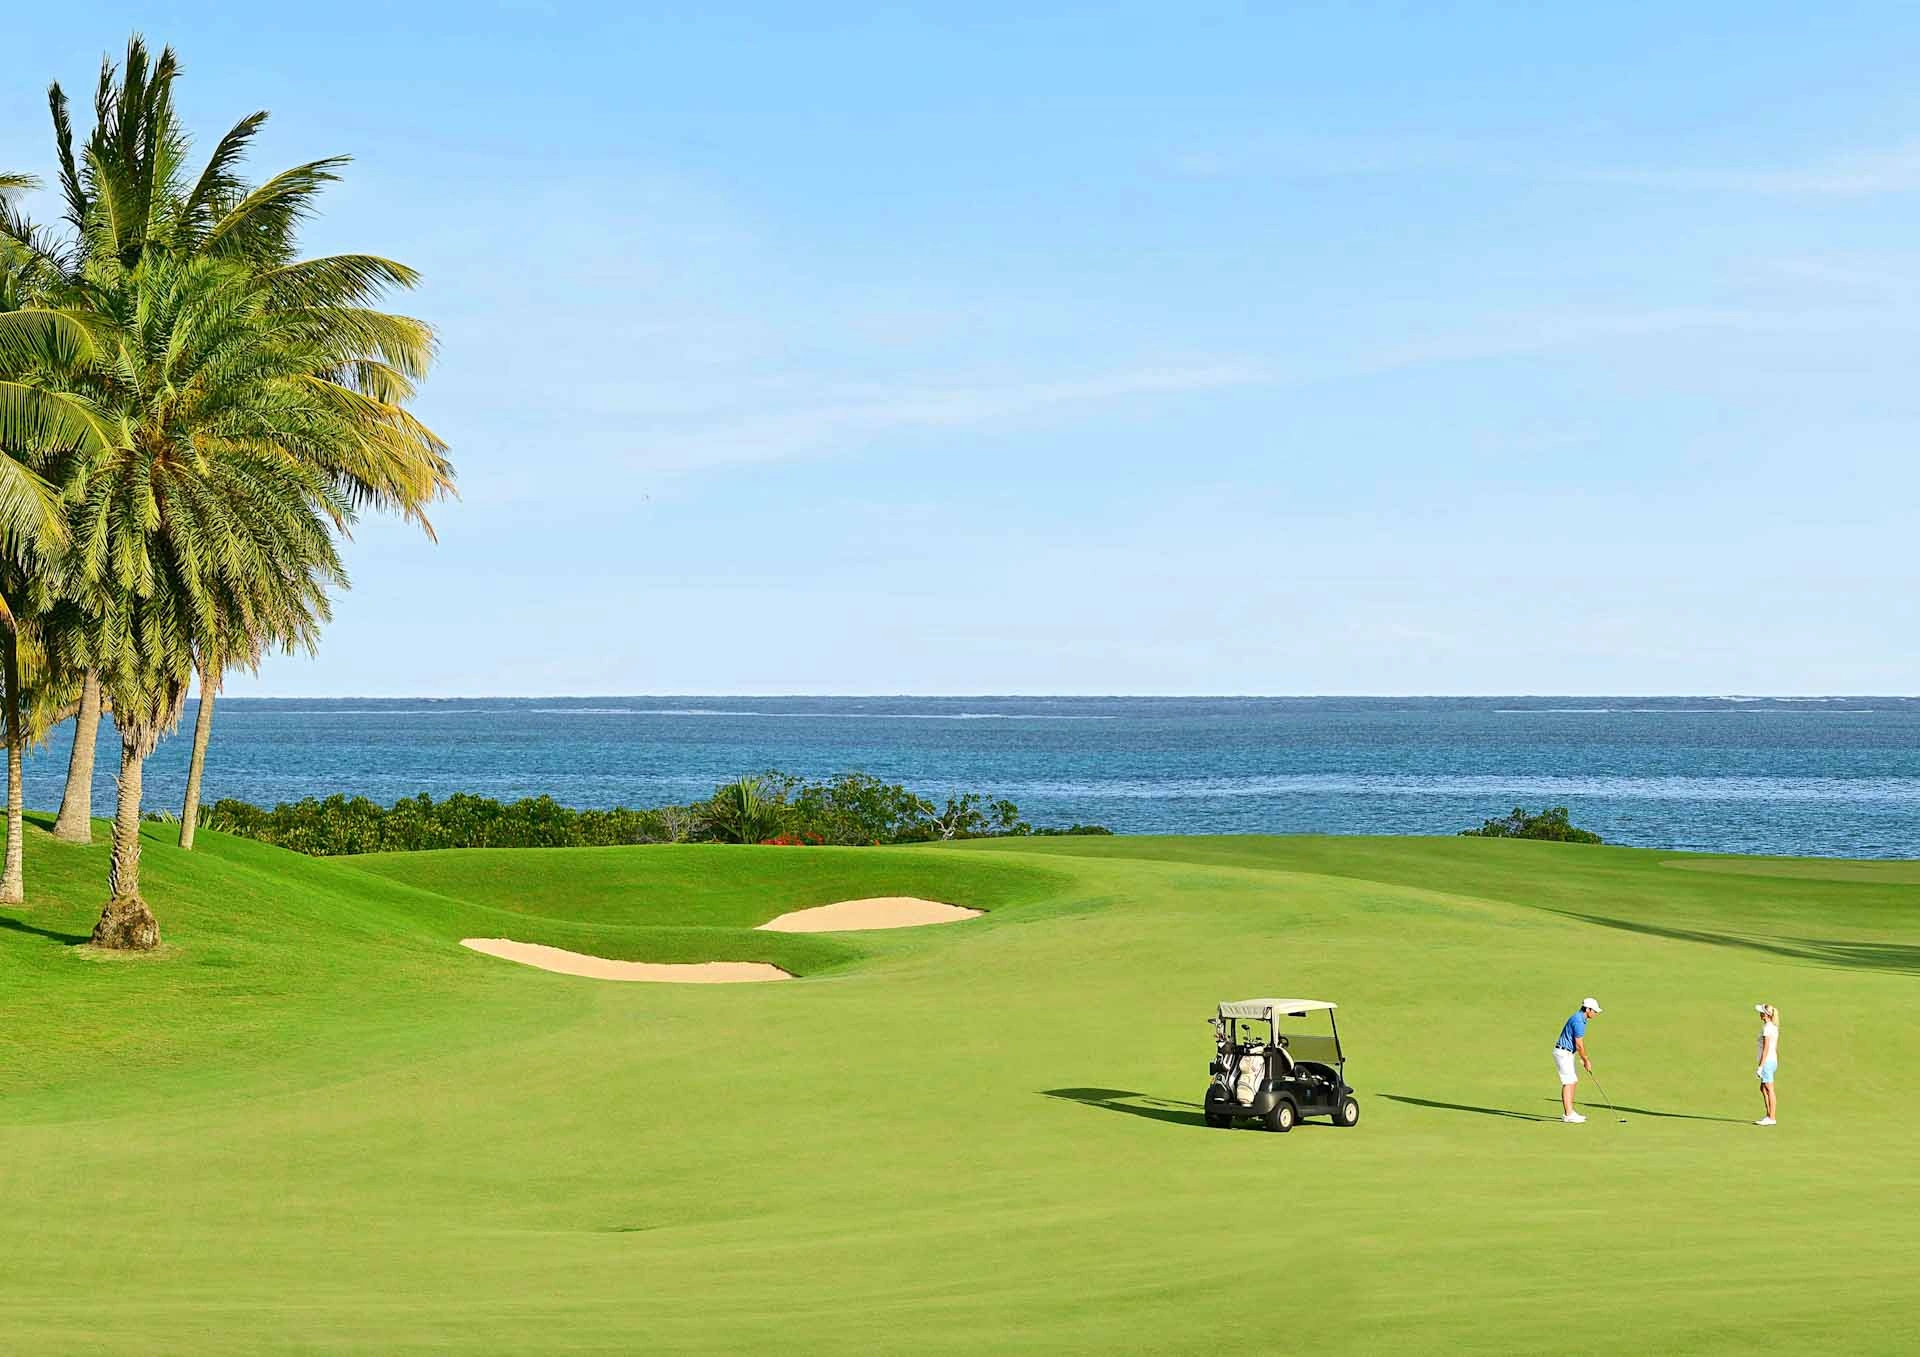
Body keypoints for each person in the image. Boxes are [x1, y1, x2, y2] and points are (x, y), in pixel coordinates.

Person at [1552, 998, 1602, 1123]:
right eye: (1594, 1011)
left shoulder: (1581, 1019)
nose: (1595, 1013)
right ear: (1588, 1009)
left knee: (1573, 1081)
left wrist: (1582, 1058)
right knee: (1569, 1082)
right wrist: (1586, 1060)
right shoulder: (1578, 1021)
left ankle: (1570, 1111)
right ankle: (1568, 1115)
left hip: (1567, 1053)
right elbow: (1579, 1044)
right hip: (1563, 1053)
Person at [1754, 1004, 1779, 1125]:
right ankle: (1769, 1115)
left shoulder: (1767, 1029)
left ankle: (1771, 1117)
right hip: (1772, 1061)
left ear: (1766, 1015)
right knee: (1763, 1088)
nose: (1760, 1014)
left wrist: (1760, 1066)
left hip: (1767, 1062)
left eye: (1761, 1012)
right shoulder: (1772, 1027)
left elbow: (1766, 1048)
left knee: (1769, 1088)